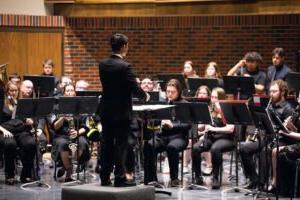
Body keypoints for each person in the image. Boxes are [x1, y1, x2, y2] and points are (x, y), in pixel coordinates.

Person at [98, 33, 147, 187]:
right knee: (121, 145)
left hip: (106, 110)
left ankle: (104, 177)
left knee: (106, 144)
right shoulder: (125, 66)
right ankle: (120, 178)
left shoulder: (102, 64)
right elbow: (133, 87)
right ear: (124, 46)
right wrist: (144, 95)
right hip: (121, 112)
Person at [239, 80, 294, 190]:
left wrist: (278, 129)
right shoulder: (269, 106)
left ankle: (262, 183)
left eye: (274, 91)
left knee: (265, 151)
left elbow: (288, 132)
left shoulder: (288, 109)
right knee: (243, 147)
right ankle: (254, 179)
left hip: (281, 140)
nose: (271, 94)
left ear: (283, 92)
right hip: (269, 138)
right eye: (270, 91)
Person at [143, 79, 191, 187]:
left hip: (179, 137)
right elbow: (154, 122)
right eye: (168, 91)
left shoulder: (185, 105)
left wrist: (173, 125)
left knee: (172, 147)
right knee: (149, 145)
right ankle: (150, 179)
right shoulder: (163, 103)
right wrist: (159, 122)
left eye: (172, 92)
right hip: (163, 136)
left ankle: (174, 178)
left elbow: (187, 125)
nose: (169, 94)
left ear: (178, 91)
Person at [192, 87, 235, 189]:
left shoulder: (227, 109)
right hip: (212, 137)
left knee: (215, 149)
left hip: (226, 138)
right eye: (212, 97)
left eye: (216, 97)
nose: (213, 99)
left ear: (222, 98)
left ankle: (215, 177)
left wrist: (213, 129)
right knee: (195, 148)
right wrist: (200, 128)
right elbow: (206, 125)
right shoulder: (210, 109)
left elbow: (231, 129)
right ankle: (198, 176)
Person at [52, 84, 90, 182]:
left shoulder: (81, 107)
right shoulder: (57, 106)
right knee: (63, 144)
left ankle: (66, 168)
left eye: (71, 90)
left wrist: (77, 132)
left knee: (82, 143)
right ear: (64, 93)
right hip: (62, 135)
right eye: (67, 90)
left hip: (77, 134)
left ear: (75, 92)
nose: (69, 92)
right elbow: (55, 127)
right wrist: (63, 117)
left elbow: (85, 127)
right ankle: (69, 170)